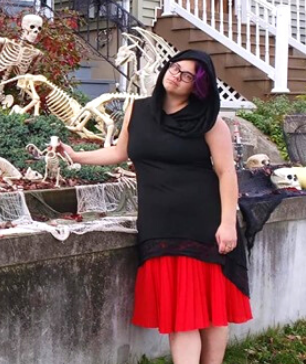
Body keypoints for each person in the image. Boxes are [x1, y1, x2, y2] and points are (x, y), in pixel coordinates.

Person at [60, 49, 252, 364]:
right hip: (158, 225)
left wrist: (228, 223)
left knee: (210, 309)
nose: (177, 76)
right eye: (175, 68)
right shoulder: (138, 110)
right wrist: (75, 155)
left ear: (198, 86)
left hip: (203, 224)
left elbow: (226, 172)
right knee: (181, 314)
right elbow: (119, 152)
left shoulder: (209, 122)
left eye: (187, 75)